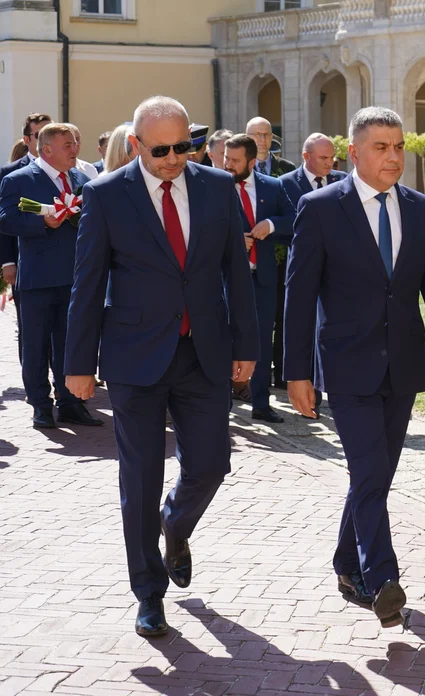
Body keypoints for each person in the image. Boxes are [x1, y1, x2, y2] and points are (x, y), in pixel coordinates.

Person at [64, 96, 259, 637]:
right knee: (140, 478)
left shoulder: (218, 189)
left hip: (204, 352)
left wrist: (247, 345)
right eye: (162, 150)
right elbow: (88, 284)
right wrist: (79, 364)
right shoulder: (104, 196)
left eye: (184, 146)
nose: (175, 158)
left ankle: (175, 523)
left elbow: (235, 275)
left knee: (213, 464)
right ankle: (148, 592)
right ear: (137, 145)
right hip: (133, 357)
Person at [283, 107, 425, 628]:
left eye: (399, 147)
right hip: (345, 366)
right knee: (368, 472)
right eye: (382, 148)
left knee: (377, 476)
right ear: (354, 152)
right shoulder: (319, 207)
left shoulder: (418, 209)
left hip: (403, 364)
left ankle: (347, 562)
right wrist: (296, 372)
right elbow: (298, 296)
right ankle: (382, 578)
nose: (394, 157)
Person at [0, 122, 102, 429]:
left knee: (71, 344)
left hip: (75, 277)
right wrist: (45, 223)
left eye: (75, 143)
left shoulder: (82, 180)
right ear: (47, 150)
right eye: (68, 145)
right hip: (38, 278)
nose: (75, 150)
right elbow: (6, 219)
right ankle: (41, 406)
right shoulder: (19, 180)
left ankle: (71, 404)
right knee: (35, 345)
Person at [222, 133, 295, 423]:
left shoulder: (273, 187)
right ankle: (222, 403)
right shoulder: (213, 186)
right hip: (226, 280)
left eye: (235, 160)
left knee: (263, 341)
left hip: (263, 279)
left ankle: (261, 403)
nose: (228, 164)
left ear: (252, 161)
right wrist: (232, 241)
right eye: (226, 158)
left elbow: (296, 218)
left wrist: (271, 224)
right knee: (225, 340)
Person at [280, 132, 347, 411]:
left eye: (332, 157)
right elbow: (286, 224)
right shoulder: (284, 184)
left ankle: (331, 387)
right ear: (306, 157)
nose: (330, 162)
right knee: (303, 328)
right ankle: (309, 393)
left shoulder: (343, 181)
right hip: (303, 269)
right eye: (323, 158)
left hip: (338, 274)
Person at [1, 112, 53, 359]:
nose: (46, 139)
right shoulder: (10, 173)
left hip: (61, 263)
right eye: (39, 134)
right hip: (25, 265)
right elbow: (4, 220)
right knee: (31, 329)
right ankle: (33, 381)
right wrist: (7, 262)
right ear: (27, 139)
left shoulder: (72, 170)